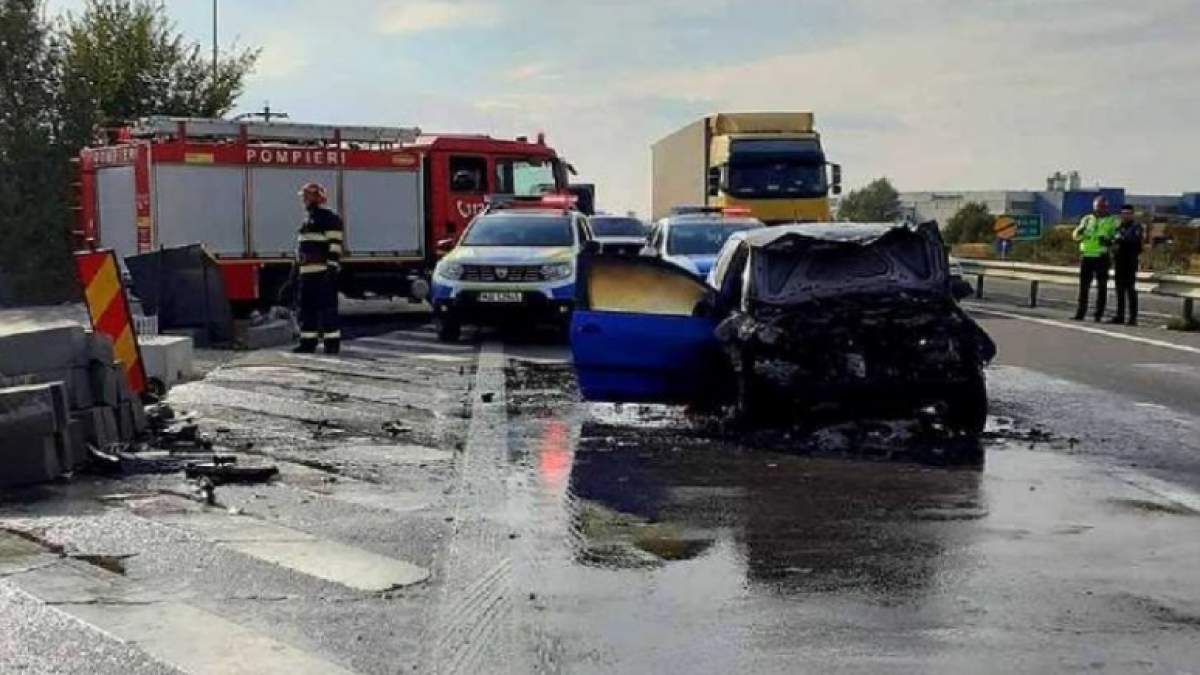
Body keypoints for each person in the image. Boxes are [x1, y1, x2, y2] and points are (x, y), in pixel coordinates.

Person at [294, 182, 343, 354]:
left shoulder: (329, 219)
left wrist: (330, 269)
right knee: (306, 310)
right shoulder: (308, 220)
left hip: (322, 273)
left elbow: (335, 246)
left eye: (307, 197)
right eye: (304, 197)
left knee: (327, 310)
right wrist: (294, 272)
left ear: (316, 198)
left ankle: (332, 345)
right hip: (306, 273)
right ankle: (308, 343)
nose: (304, 200)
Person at [1071, 196, 1118, 322]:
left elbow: (1117, 237)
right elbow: (1075, 235)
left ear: (1106, 207)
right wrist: (1079, 233)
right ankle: (1080, 313)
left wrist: (1109, 241)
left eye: (1102, 207)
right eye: (1097, 207)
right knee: (1083, 287)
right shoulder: (1087, 219)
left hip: (1101, 257)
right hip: (1086, 256)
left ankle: (1098, 314)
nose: (1099, 210)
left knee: (1101, 287)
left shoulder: (1112, 220)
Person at [1109, 204, 1143, 326]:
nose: (1125, 216)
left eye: (1128, 213)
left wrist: (1121, 239)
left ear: (1132, 214)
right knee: (1119, 290)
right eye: (1123, 213)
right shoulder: (1119, 227)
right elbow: (1114, 240)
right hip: (1119, 261)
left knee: (1130, 290)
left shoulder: (1136, 227)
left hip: (1130, 261)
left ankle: (1133, 317)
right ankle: (1120, 315)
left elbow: (1135, 241)